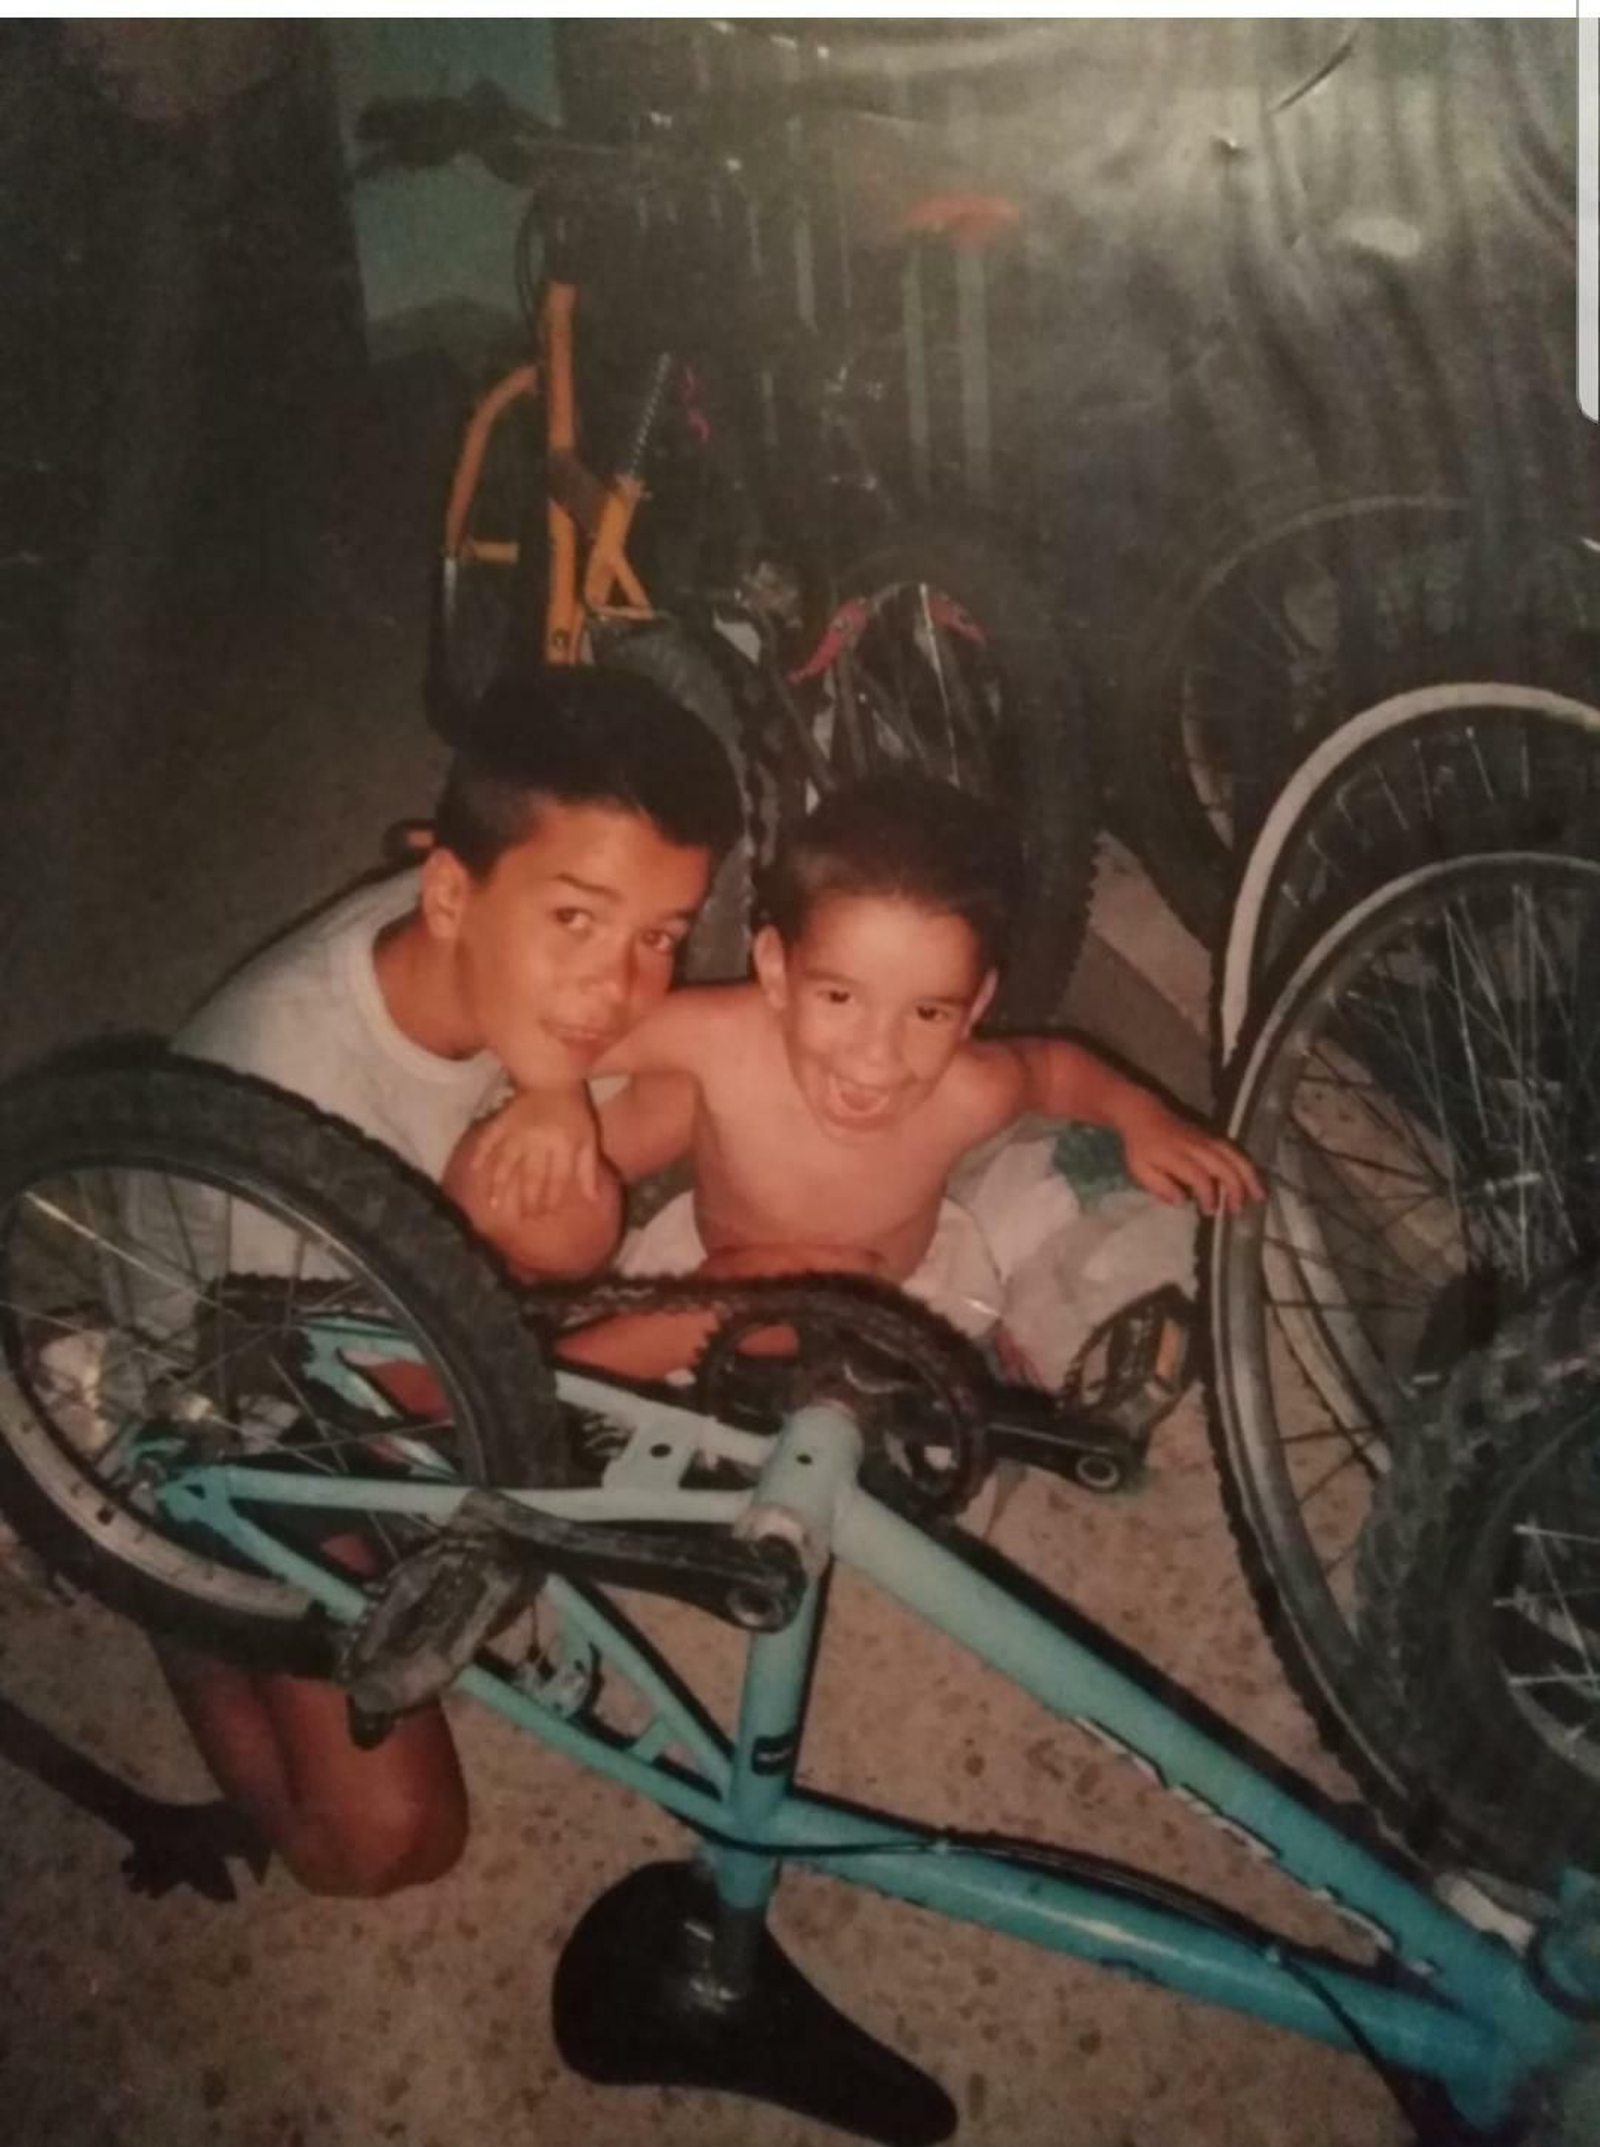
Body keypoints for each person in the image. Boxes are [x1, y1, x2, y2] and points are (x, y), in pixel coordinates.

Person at [159, 666, 742, 1896]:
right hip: (247, 1392)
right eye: (578, 919)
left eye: (659, 934)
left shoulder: (487, 941)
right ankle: (172, 1599)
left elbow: (687, 1073)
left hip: (396, 1269)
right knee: (384, 1841)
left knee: (623, 1149)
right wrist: (696, 1318)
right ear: (446, 891)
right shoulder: (286, 1104)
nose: (621, 982)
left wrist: (552, 1083)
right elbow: (388, 1398)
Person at [476, 771, 1263, 1383]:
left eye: (927, 1013)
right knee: (557, 1204)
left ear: (975, 1005)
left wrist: (1143, 1114)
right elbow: (574, 1034)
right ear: (777, 972)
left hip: (901, 1297)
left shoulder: (970, 1087)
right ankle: (544, 1381)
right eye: (840, 996)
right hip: (708, 1279)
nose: (876, 1057)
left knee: (1125, 1250)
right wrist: (550, 1096)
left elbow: (1053, 1070)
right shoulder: (722, 1035)